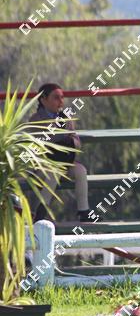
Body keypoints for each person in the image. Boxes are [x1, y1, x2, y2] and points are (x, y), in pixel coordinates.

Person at [29, 83, 90, 223]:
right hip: (43, 166)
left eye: (62, 97)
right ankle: (41, 211)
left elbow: (76, 141)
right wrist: (63, 137)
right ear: (43, 99)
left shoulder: (65, 117)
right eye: (56, 97)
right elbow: (44, 141)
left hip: (64, 163)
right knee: (53, 172)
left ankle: (84, 211)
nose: (61, 101)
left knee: (81, 170)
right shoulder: (36, 119)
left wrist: (70, 141)